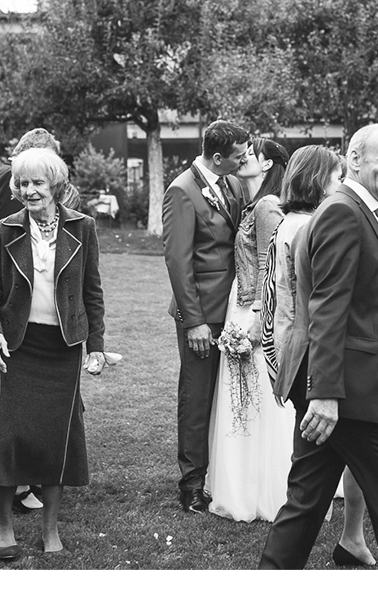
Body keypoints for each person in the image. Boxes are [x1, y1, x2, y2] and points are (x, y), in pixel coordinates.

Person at [259, 124, 378, 570]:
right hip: (349, 392)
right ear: (355, 158)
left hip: (342, 386)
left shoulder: (363, 209)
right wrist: (325, 395)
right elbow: (327, 309)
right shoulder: (344, 212)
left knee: (305, 503)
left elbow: (369, 306)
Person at [0, 148, 106, 560]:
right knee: (9, 436)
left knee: (56, 437)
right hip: (17, 346)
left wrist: (97, 347)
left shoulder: (82, 228)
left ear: (55, 186)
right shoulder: (4, 229)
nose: (28, 190)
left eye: (37, 183)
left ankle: (50, 528)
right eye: (22, 183)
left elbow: (92, 292)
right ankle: (4, 523)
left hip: (62, 348)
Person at [263, 145, 376, 566]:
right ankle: (355, 536)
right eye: (336, 176)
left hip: (301, 352)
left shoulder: (290, 222)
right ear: (316, 180)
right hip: (317, 356)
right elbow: (319, 302)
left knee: (313, 476)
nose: (342, 183)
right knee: (354, 465)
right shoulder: (312, 225)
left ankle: (350, 538)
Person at [162, 120, 252, 513]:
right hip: (201, 313)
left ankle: (224, 473)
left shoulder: (230, 183)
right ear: (217, 158)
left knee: (228, 394)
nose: (245, 159)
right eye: (239, 155)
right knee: (197, 396)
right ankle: (192, 482)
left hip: (233, 307)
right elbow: (178, 261)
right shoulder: (181, 191)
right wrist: (194, 321)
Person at [207, 137, 291, 522]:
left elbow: (271, 263)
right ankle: (241, 482)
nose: (243, 159)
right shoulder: (252, 204)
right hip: (239, 306)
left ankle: (264, 489)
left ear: (268, 164)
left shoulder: (269, 206)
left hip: (253, 311)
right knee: (242, 401)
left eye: (250, 155)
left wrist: (258, 319)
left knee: (254, 400)